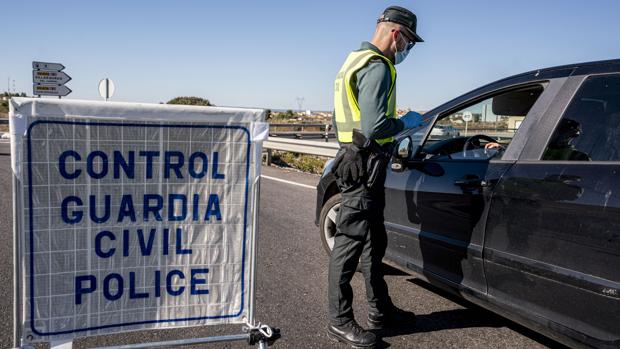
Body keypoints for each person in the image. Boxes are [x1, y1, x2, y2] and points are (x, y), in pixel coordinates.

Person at [327, 6, 427, 348]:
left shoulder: (353, 59)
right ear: (396, 34)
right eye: (409, 41)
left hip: (354, 158)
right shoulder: (377, 66)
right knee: (350, 245)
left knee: (373, 242)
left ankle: (380, 309)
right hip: (364, 164)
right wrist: (408, 122)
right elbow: (375, 127)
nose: (407, 49)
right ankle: (340, 320)